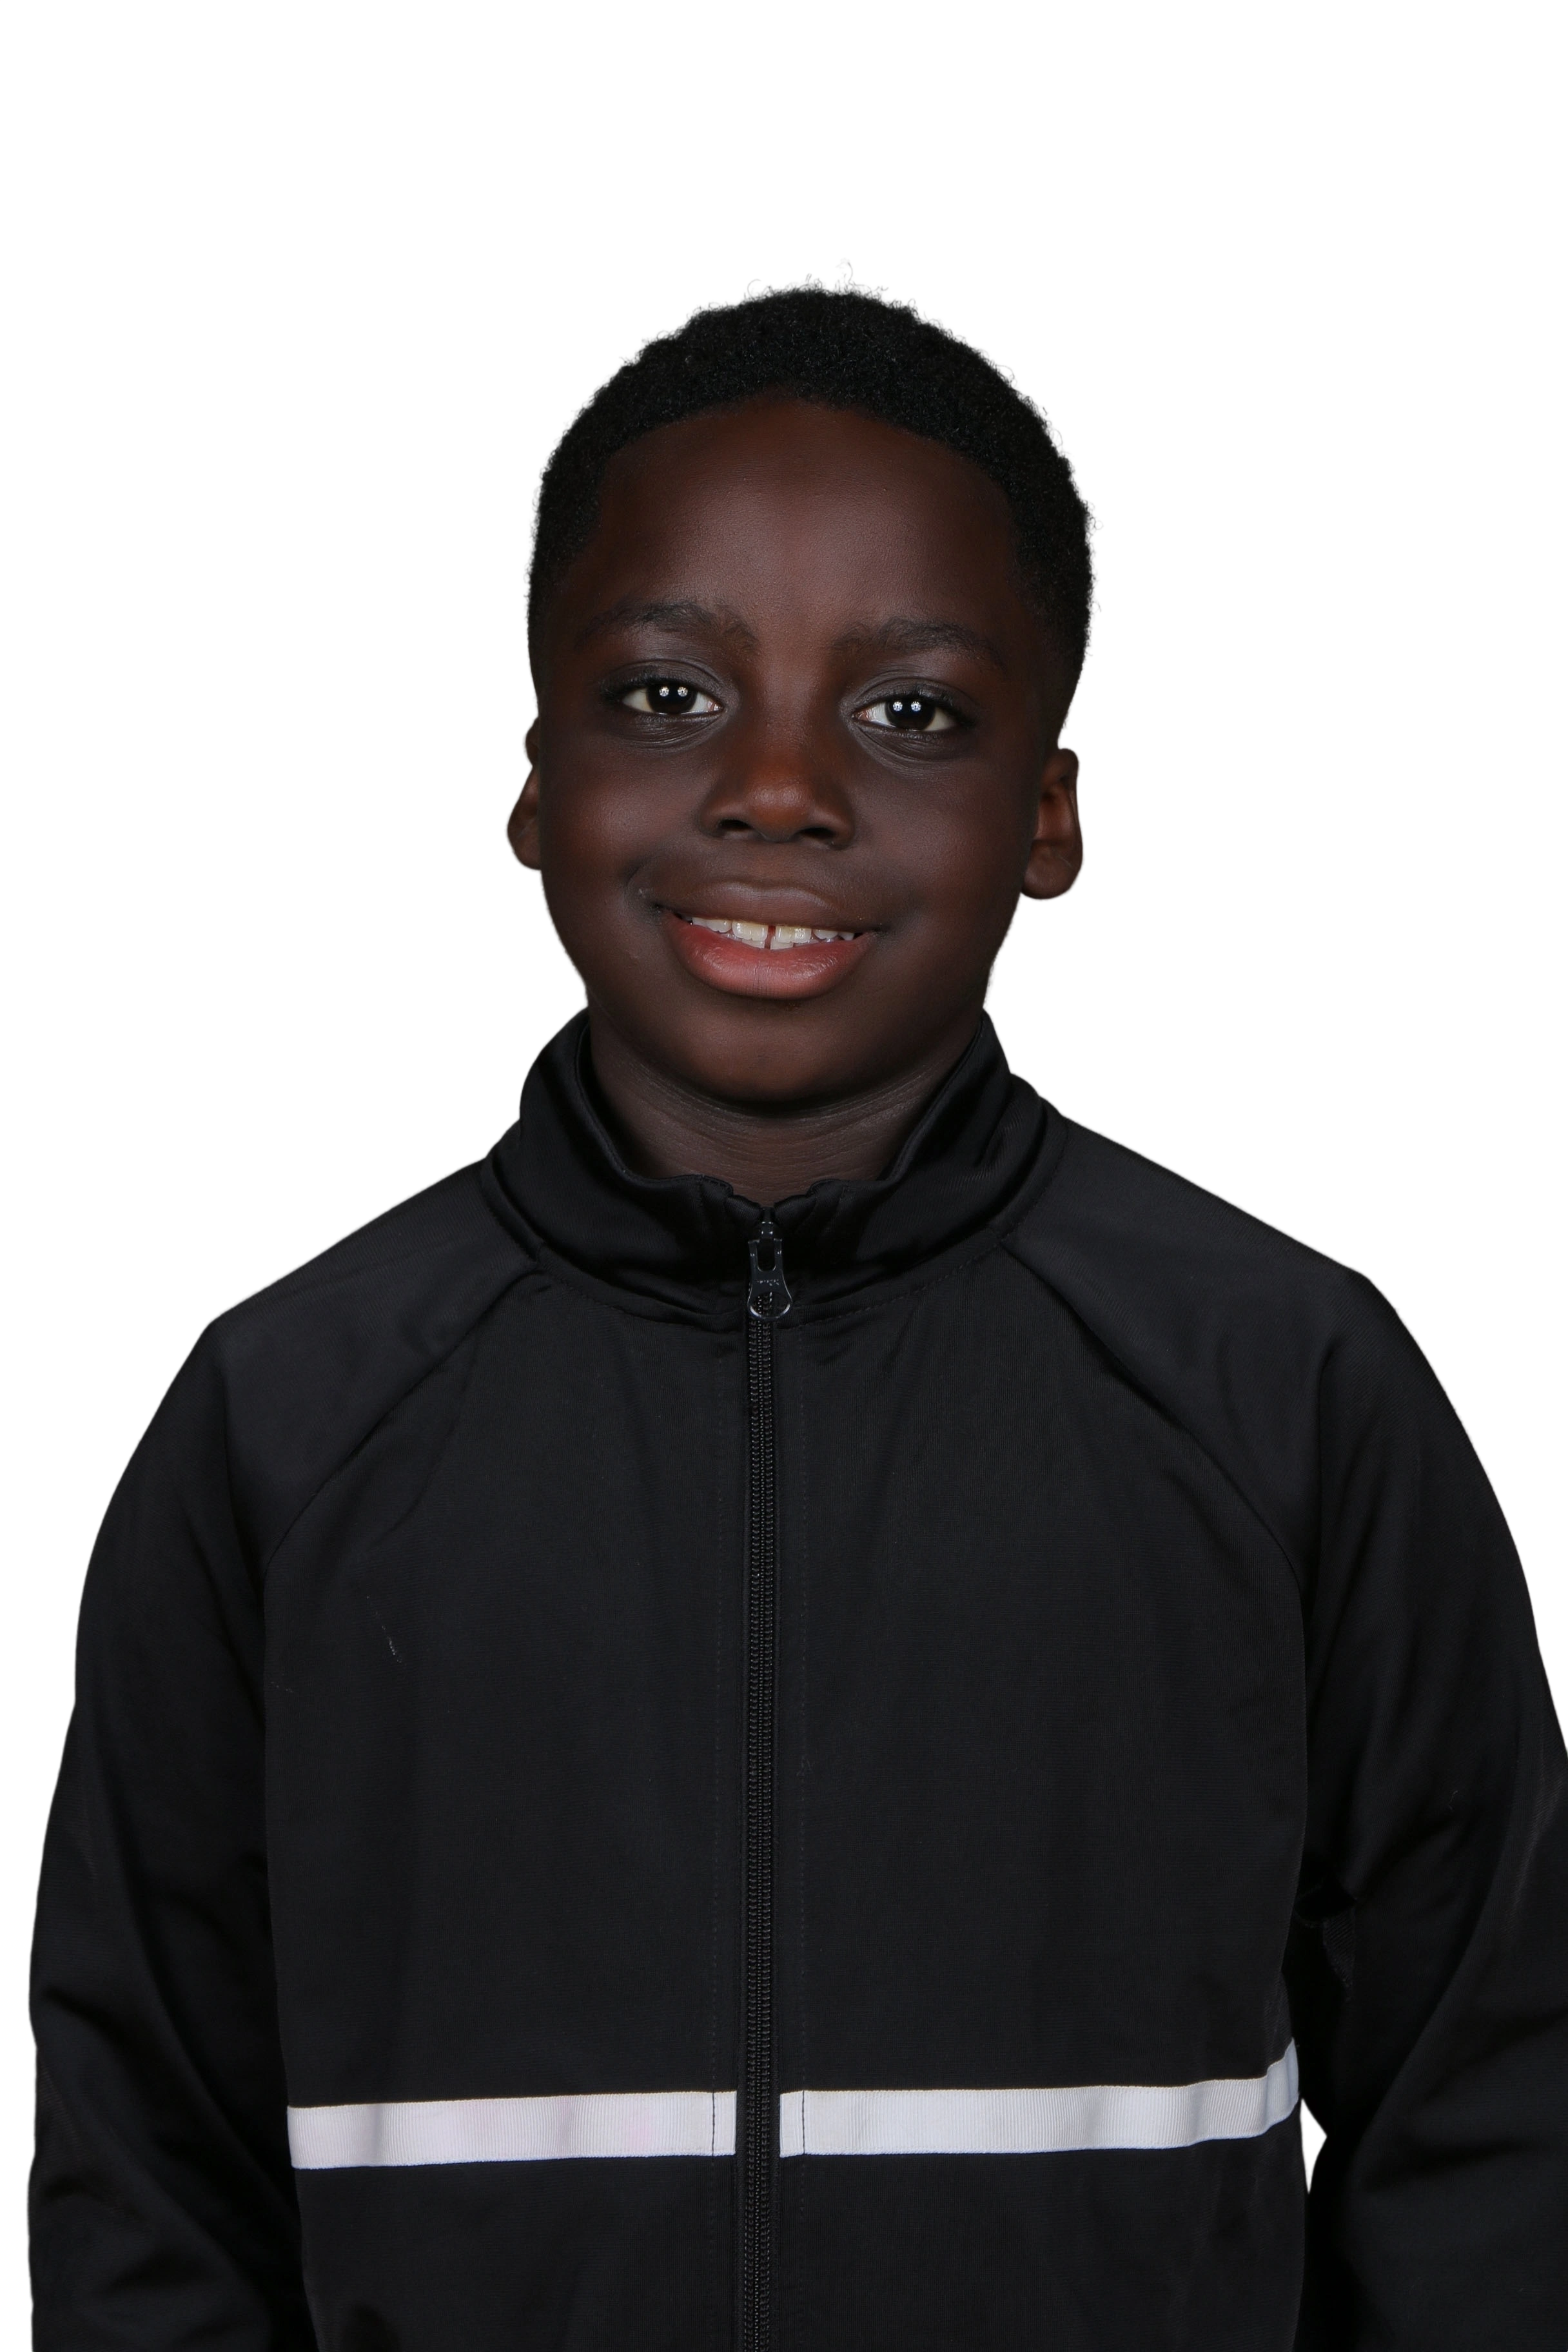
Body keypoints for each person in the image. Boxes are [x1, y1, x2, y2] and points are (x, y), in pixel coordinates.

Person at [26, 260, 1568, 2351]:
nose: (776, 787)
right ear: (531, 781)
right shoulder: (286, 1419)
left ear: (1054, 811)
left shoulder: (1284, 1385)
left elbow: (1492, 2126)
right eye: (666, 697)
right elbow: (144, 2171)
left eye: (910, 711)